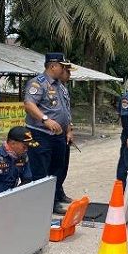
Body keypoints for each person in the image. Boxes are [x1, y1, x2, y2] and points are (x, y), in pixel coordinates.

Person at [23, 53, 74, 214]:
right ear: (53, 66)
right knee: (41, 170)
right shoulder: (38, 83)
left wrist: (68, 130)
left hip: (59, 135)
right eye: (62, 66)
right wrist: (45, 119)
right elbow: (29, 104)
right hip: (40, 134)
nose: (64, 69)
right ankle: (42, 205)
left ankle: (52, 200)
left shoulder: (60, 86)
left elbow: (64, 111)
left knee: (57, 168)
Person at [56, 60, 77, 204]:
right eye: (67, 71)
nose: (69, 74)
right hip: (52, 135)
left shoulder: (63, 88)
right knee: (54, 169)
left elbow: (66, 112)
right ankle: (53, 198)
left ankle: (59, 192)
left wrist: (70, 130)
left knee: (63, 167)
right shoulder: (45, 86)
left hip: (64, 134)